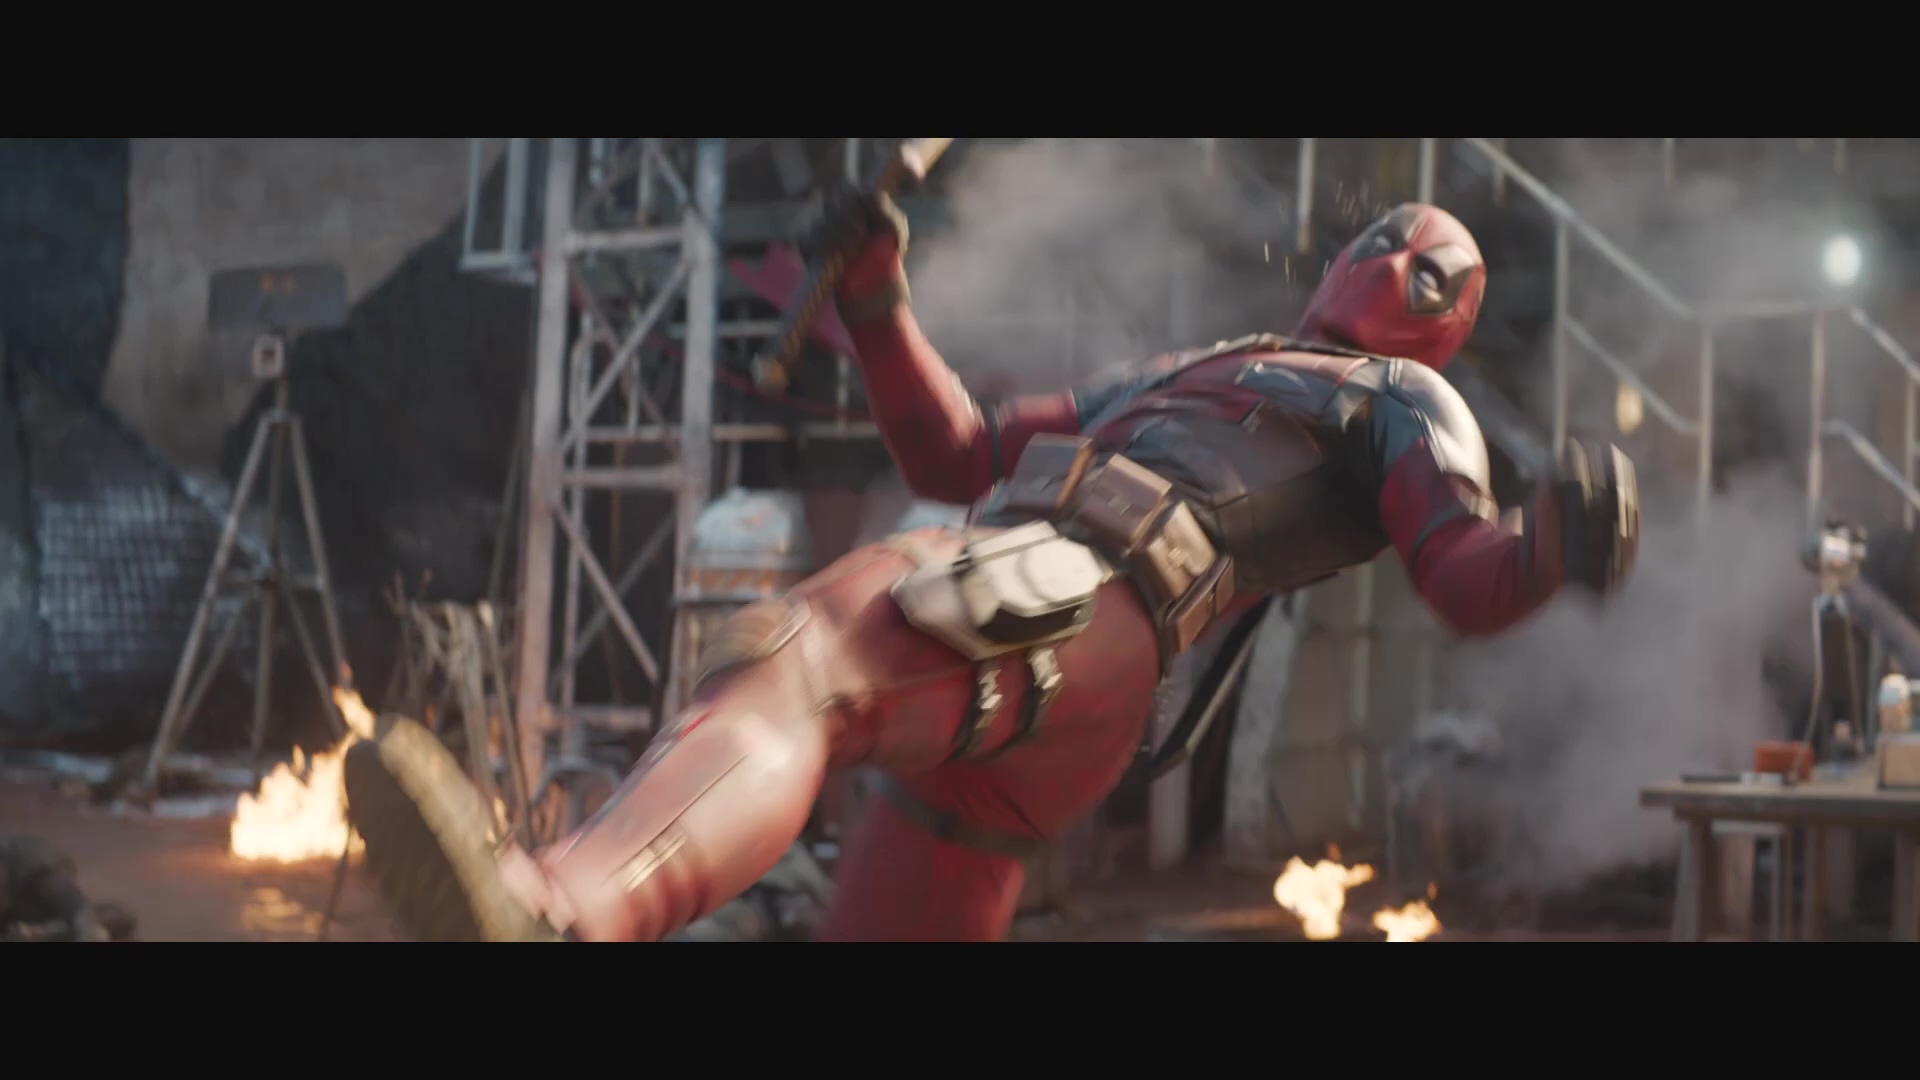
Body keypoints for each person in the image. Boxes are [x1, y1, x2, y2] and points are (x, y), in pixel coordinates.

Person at [343, 192, 1640, 943]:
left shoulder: (1408, 400)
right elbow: (957, 447)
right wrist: (878, 302)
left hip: (1077, 599)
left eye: (1437, 272)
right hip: (1055, 656)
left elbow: (1463, 570)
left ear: (1449, 324)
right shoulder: (1195, 368)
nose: (1404, 265)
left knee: (805, 661)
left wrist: (1549, 546)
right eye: (1396, 240)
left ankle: (556, 912)